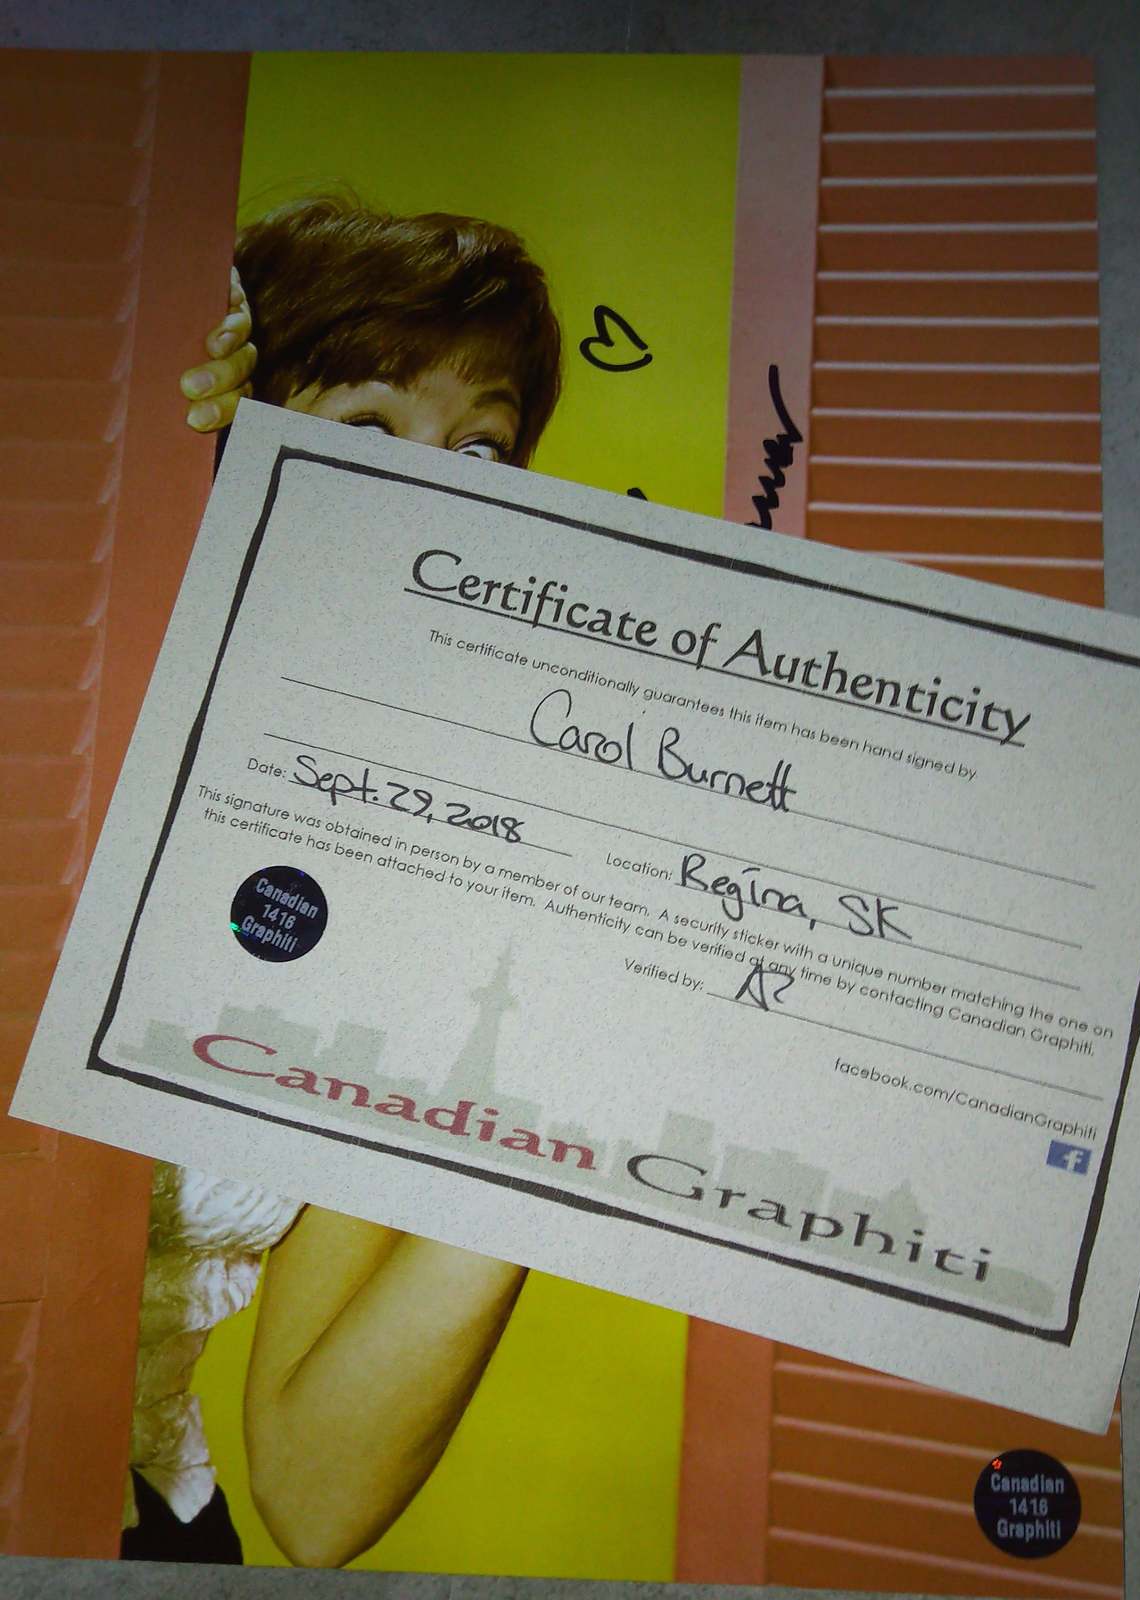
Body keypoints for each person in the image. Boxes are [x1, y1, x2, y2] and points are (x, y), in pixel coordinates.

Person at [123, 197, 562, 1569]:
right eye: (367, 427)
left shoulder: (440, 879)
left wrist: (569, 1122)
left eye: (483, 448)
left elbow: (316, 1500)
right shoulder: (70, 703)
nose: (437, 493)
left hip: (130, 1509)